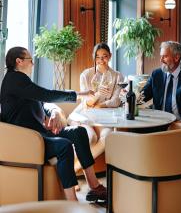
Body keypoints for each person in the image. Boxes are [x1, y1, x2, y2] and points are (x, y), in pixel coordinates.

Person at [0, 46, 106, 202]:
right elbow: (47, 94)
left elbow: (42, 102)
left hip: (42, 134)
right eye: (30, 60)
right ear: (19, 61)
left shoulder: (21, 81)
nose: (33, 64)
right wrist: (80, 94)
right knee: (64, 146)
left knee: (79, 132)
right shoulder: (14, 79)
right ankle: (72, 203)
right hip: (30, 141)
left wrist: (53, 113)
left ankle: (94, 186)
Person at [68, 42, 124, 148]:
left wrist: (99, 105)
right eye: (97, 57)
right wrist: (98, 94)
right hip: (84, 114)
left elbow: (116, 101)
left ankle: (81, 164)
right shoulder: (86, 75)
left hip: (104, 115)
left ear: (110, 56)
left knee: (107, 136)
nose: (101, 60)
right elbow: (87, 102)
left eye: (104, 57)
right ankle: (75, 163)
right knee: (90, 137)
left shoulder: (117, 76)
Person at [142, 41, 181, 122]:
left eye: (165, 56)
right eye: (161, 56)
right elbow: (143, 95)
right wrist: (130, 95)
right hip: (158, 122)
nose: (161, 60)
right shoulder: (156, 74)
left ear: (176, 58)